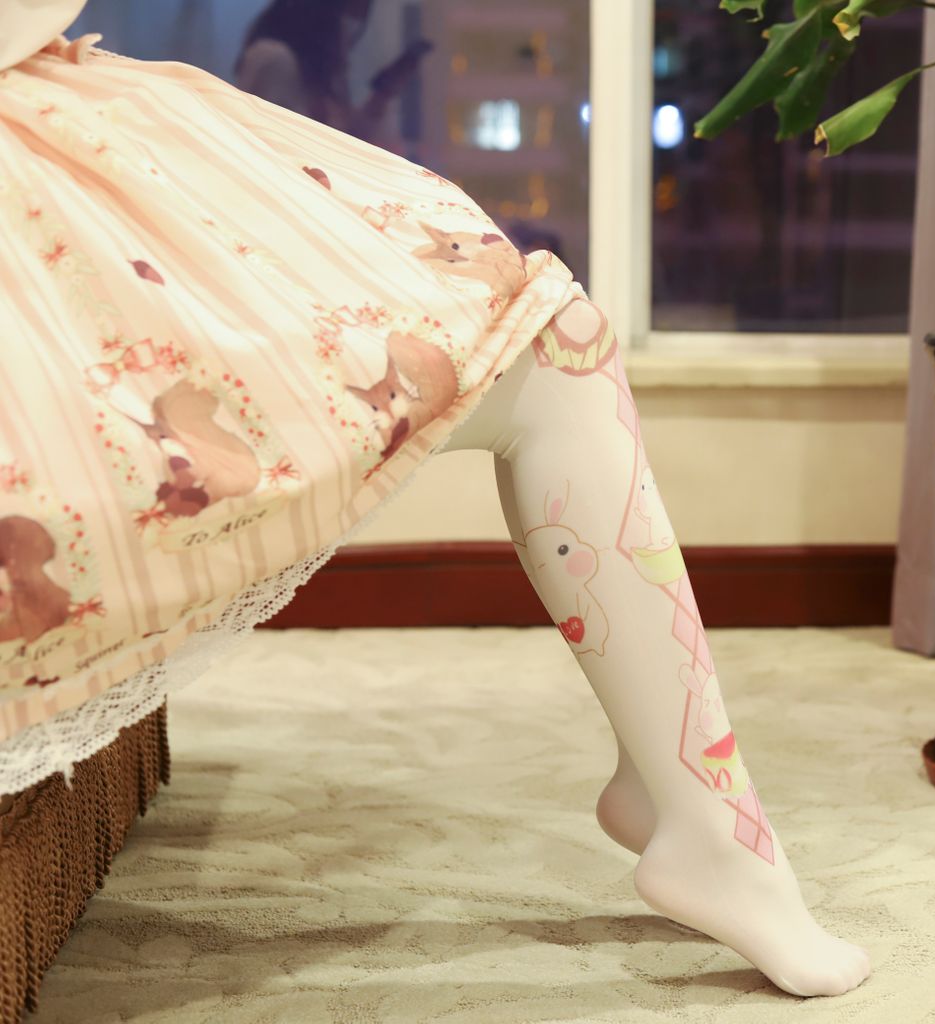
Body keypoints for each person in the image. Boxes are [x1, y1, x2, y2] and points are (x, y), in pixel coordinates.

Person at [0, 0, 870, 1001]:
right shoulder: (278, 50)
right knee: (551, 350)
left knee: (553, 333)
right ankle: (709, 824)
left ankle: (688, 795)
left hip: (55, 128)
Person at [235, 0, 432, 145]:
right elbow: (272, 143)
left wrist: (382, 94)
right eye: (350, 10)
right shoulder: (275, 59)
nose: (352, 24)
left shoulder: (321, 76)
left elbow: (346, 140)